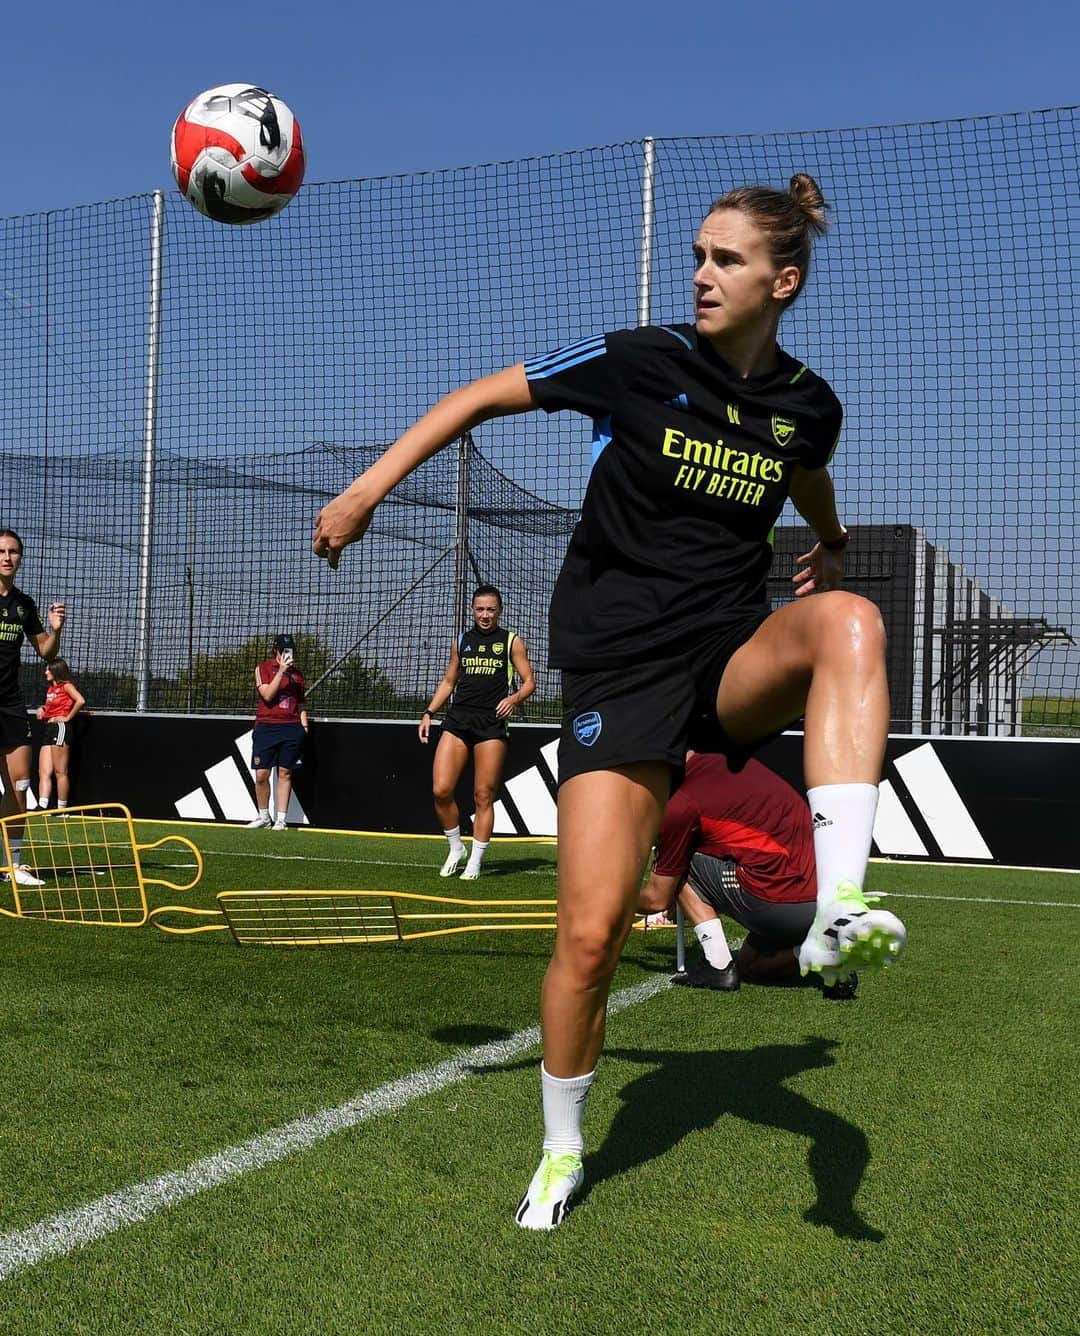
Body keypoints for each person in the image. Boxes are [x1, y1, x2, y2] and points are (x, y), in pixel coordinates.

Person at [312, 176, 907, 1230]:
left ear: (785, 280)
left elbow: (803, 468)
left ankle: (837, 911)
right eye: (698, 254)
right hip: (620, 673)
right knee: (588, 936)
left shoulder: (811, 403)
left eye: (725, 259)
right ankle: (560, 1147)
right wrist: (366, 490)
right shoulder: (642, 361)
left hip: (724, 655)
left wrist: (833, 542)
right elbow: (478, 397)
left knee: (852, 620)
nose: (701, 273)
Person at [637, 751, 857, 999]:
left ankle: (717, 965)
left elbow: (657, 898)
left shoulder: (680, 802)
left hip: (781, 899)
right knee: (751, 967)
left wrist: (606, 902)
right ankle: (825, 953)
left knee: (683, 864)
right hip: (825, 897)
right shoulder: (728, 761)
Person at [419, 585, 536, 879]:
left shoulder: (511, 642)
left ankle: (476, 860)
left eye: (491, 609)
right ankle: (456, 847)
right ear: (472, 610)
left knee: (483, 795)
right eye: (480, 609)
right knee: (440, 789)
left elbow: (529, 682)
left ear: (500, 611)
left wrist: (513, 699)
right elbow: (448, 681)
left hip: (492, 726)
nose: (485, 615)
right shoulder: (462, 640)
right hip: (458, 720)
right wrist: (428, 713)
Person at [0, 529, 65, 886]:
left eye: (14, 552)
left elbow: (46, 651)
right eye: (2, 551)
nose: (8, 557)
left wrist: (55, 630)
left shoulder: (24, 604)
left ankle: (13, 864)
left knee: (20, 784)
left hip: (10, 704)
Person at [247, 634, 308, 830]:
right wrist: (281, 671)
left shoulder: (298, 675)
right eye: (283, 650)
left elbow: (301, 705)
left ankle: (281, 819)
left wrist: (304, 727)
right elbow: (267, 695)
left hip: (291, 728)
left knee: (285, 772)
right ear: (276, 651)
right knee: (261, 774)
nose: (287, 654)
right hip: (266, 726)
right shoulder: (263, 668)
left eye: (289, 651)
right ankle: (264, 816)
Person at [34, 658, 86, 811]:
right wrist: (42, 709)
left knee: (60, 771)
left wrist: (68, 717)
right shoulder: (51, 689)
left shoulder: (66, 686)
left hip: (60, 728)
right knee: (44, 771)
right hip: (49, 728)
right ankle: (42, 806)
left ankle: (61, 809)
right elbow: (50, 706)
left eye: (48, 670)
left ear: (56, 670)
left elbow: (80, 701)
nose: (45, 672)